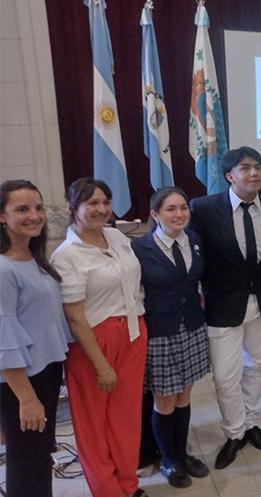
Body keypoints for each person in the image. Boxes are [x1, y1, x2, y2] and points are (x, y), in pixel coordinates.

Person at [51, 178, 149, 497]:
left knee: (126, 418)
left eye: (105, 202)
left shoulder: (116, 236)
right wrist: (101, 365)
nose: (101, 209)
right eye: (91, 203)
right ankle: (107, 491)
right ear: (72, 209)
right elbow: (74, 317)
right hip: (93, 343)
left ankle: (128, 485)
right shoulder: (67, 255)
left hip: (133, 332)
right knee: (93, 425)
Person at [189, 147, 261, 469]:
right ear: (230, 176)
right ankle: (234, 433)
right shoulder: (203, 209)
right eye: (246, 168)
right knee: (226, 377)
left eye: (258, 167)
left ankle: (251, 424)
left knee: (254, 368)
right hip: (223, 305)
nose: (254, 173)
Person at [132, 187, 211, 487]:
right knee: (163, 401)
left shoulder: (193, 240)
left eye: (183, 208)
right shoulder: (140, 249)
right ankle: (168, 459)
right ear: (155, 214)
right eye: (170, 209)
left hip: (192, 326)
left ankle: (182, 453)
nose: (179, 214)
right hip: (160, 332)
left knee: (184, 396)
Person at [0, 180, 71, 497]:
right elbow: (4, 338)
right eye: (22, 209)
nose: (35, 215)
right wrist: (27, 399)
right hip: (21, 380)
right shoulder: (3, 269)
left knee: (40, 455)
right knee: (26, 460)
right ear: (2, 217)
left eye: (39, 207)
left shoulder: (33, 258)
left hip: (45, 372)